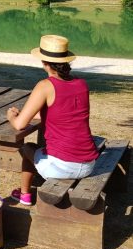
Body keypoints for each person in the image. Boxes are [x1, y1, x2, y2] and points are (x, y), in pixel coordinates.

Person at [6, 35, 98, 206]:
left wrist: (12, 116)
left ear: (44, 63)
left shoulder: (45, 85)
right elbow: (64, 115)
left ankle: (25, 195)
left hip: (63, 167)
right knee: (41, 149)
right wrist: (33, 114)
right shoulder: (82, 84)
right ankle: (29, 189)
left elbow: (20, 125)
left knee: (27, 148)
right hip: (88, 165)